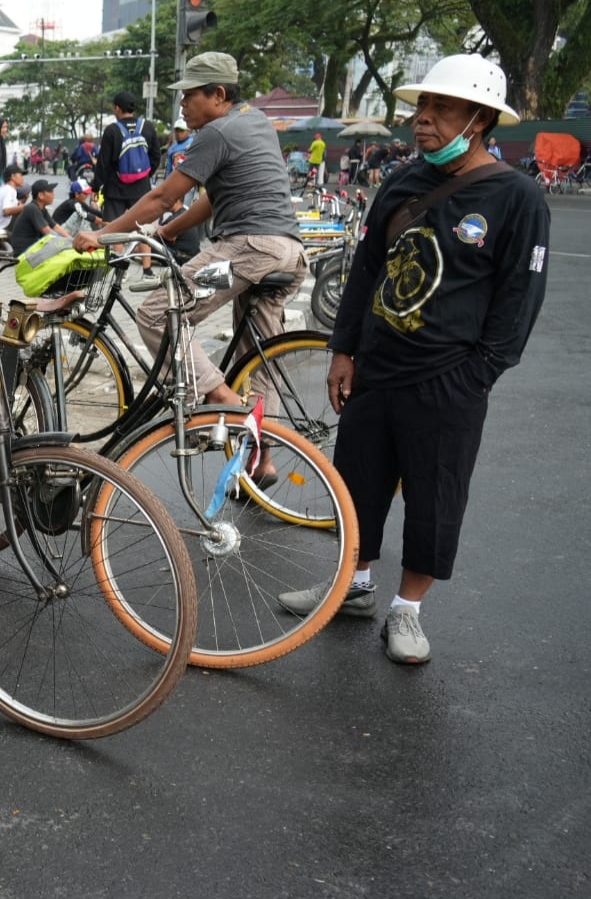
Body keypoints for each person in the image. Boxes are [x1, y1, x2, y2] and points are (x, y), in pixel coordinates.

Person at [282, 54, 548, 665]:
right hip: (377, 367)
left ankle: (408, 610)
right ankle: (352, 586)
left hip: (449, 379)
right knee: (358, 483)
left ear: (478, 119)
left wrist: (478, 373)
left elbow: (519, 298)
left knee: (434, 495)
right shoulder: (402, 182)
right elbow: (367, 272)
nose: (422, 120)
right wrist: (343, 350)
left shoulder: (517, 197)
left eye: (440, 109)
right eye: (420, 108)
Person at [74, 52, 307, 461]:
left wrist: (102, 234)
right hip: (288, 254)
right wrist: (165, 232)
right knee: (256, 357)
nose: (182, 105)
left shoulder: (215, 133)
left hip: (247, 251)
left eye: (189, 96)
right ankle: (262, 458)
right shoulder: (255, 121)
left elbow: (165, 195)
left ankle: (220, 404)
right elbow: (210, 200)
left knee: (159, 311)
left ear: (218, 94)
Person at [93, 91, 160, 223]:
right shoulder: (147, 127)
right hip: (141, 189)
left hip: (115, 190)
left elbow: (103, 163)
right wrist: (144, 174)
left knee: (112, 230)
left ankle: (116, 245)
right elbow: (156, 157)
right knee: (142, 231)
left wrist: (96, 187)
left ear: (117, 108)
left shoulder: (112, 130)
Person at [8, 178, 65, 254]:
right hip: (24, 249)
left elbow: (55, 227)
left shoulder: (42, 208)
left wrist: (71, 240)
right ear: (40, 195)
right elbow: (48, 232)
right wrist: (64, 243)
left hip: (33, 244)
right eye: (50, 192)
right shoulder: (32, 208)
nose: (53, 194)